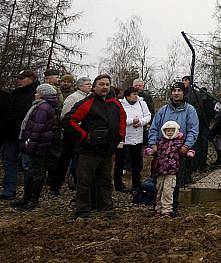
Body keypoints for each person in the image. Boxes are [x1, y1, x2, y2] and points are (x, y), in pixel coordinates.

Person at [64, 74, 126, 219]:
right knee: (84, 181)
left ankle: (106, 208)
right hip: (88, 150)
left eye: (107, 84)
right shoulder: (87, 103)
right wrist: (85, 136)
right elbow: (69, 121)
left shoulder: (115, 103)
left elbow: (122, 119)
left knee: (105, 180)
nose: (105, 87)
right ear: (94, 87)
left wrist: (118, 137)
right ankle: (83, 210)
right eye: (101, 84)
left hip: (107, 150)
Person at [148, 81, 199, 216]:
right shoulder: (163, 110)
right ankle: (157, 206)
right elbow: (154, 128)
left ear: (183, 93)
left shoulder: (190, 110)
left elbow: (193, 130)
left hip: (179, 152)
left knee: (174, 181)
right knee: (159, 179)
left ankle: (172, 207)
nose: (176, 93)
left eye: (179, 91)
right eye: (174, 91)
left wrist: (186, 145)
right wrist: (153, 144)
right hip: (162, 151)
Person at [11, 84, 60, 210]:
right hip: (39, 144)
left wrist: (29, 144)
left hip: (38, 145)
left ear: (43, 94)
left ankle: (32, 200)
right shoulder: (41, 105)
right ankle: (27, 199)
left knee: (35, 173)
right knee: (32, 172)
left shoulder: (42, 107)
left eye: (37, 92)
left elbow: (37, 128)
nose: (35, 94)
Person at [49, 77, 92, 196]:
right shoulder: (73, 98)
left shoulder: (89, 98)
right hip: (71, 133)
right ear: (79, 86)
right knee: (64, 159)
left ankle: (76, 183)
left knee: (80, 160)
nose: (89, 86)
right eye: (87, 84)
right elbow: (65, 116)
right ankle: (55, 185)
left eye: (90, 84)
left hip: (83, 132)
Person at [1, 70, 39, 199]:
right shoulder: (15, 93)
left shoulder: (36, 94)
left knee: (27, 164)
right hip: (11, 134)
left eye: (22, 78)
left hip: (27, 136)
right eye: (18, 78)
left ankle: (30, 194)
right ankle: (9, 190)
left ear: (31, 78)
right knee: (9, 162)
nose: (19, 80)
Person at [146, 121, 194, 217]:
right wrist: (150, 151)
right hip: (160, 170)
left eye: (172, 130)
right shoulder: (161, 142)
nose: (170, 133)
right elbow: (156, 152)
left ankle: (167, 209)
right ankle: (158, 208)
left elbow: (185, 151)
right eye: (167, 131)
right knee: (159, 189)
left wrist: (189, 152)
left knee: (168, 191)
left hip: (171, 171)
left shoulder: (179, 142)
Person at [116, 86, 151, 193]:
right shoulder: (120, 104)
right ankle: (118, 184)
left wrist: (140, 122)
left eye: (137, 94)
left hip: (137, 137)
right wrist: (132, 121)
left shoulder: (142, 103)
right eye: (133, 94)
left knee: (137, 162)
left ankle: (136, 183)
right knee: (120, 162)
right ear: (127, 96)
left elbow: (148, 116)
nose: (136, 96)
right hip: (124, 138)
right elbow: (119, 118)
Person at [182, 75, 212, 172]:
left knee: (199, 144)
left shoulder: (195, 94)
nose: (184, 82)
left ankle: (199, 164)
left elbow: (199, 109)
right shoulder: (183, 93)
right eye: (183, 80)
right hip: (187, 124)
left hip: (199, 123)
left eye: (185, 80)